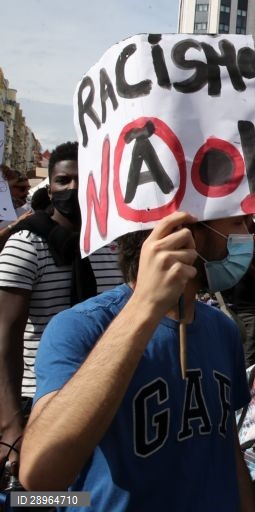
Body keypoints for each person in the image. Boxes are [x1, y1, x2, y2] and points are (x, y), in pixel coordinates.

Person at [19, 212, 255, 511]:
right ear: (183, 233)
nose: (249, 233)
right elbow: (40, 478)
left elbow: (227, 451)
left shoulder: (223, 331)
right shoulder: (80, 327)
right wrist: (145, 306)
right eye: (238, 223)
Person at [0, 142, 122, 474]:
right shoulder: (26, 246)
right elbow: (4, 340)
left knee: (89, 500)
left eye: (82, 180)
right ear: (50, 187)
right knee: (41, 500)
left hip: (105, 397)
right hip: (41, 401)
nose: (72, 189)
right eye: (63, 181)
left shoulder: (112, 247)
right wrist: (11, 427)